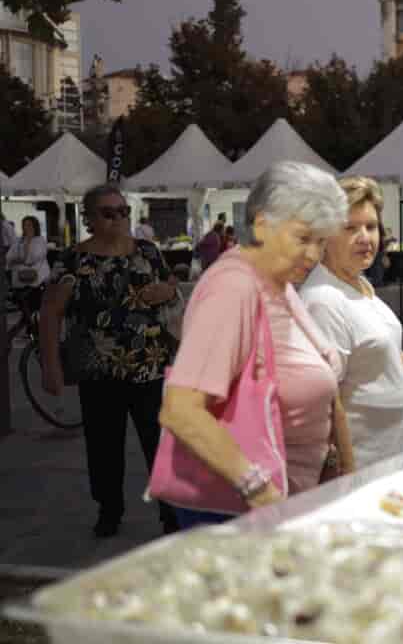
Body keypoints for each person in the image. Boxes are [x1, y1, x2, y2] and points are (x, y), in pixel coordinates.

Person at [158, 162, 355, 529]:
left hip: (287, 498)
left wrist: (338, 465)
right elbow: (181, 410)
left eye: (321, 242)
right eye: (303, 238)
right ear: (263, 224)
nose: (313, 255)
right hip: (236, 513)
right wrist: (259, 491)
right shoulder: (232, 289)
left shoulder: (277, 283)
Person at [39, 185, 181, 537]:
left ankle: (171, 512)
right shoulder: (73, 260)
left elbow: (171, 286)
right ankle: (109, 509)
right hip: (98, 371)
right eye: (107, 212)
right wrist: (51, 366)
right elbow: (50, 312)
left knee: (159, 444)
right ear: (88, 218)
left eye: (122, 211)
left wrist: (166, 291)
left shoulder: (147, 251)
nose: (118, 218)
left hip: (150, 367)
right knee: (104, 447)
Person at [301, 176, 403, 479]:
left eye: (370, 226)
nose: (364, 237)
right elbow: (321, 402)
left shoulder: (359, 283)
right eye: (350, 228)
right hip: (360, 467)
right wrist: (343, 470)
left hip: (389, 457)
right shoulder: (324, 299)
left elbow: (365, 350)